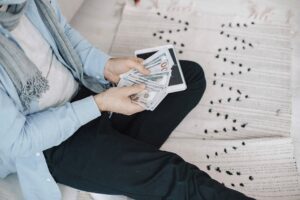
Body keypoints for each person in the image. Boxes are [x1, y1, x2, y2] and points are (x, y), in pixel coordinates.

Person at [0, 0, 254, 199]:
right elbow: (20, 141)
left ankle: (113, 167)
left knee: (188, 77)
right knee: (171, 173)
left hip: (86, 93)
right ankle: (119, 166)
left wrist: (107, 65)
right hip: (53, 142)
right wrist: (100, 104)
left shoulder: (25, 4)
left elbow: (64, 34)